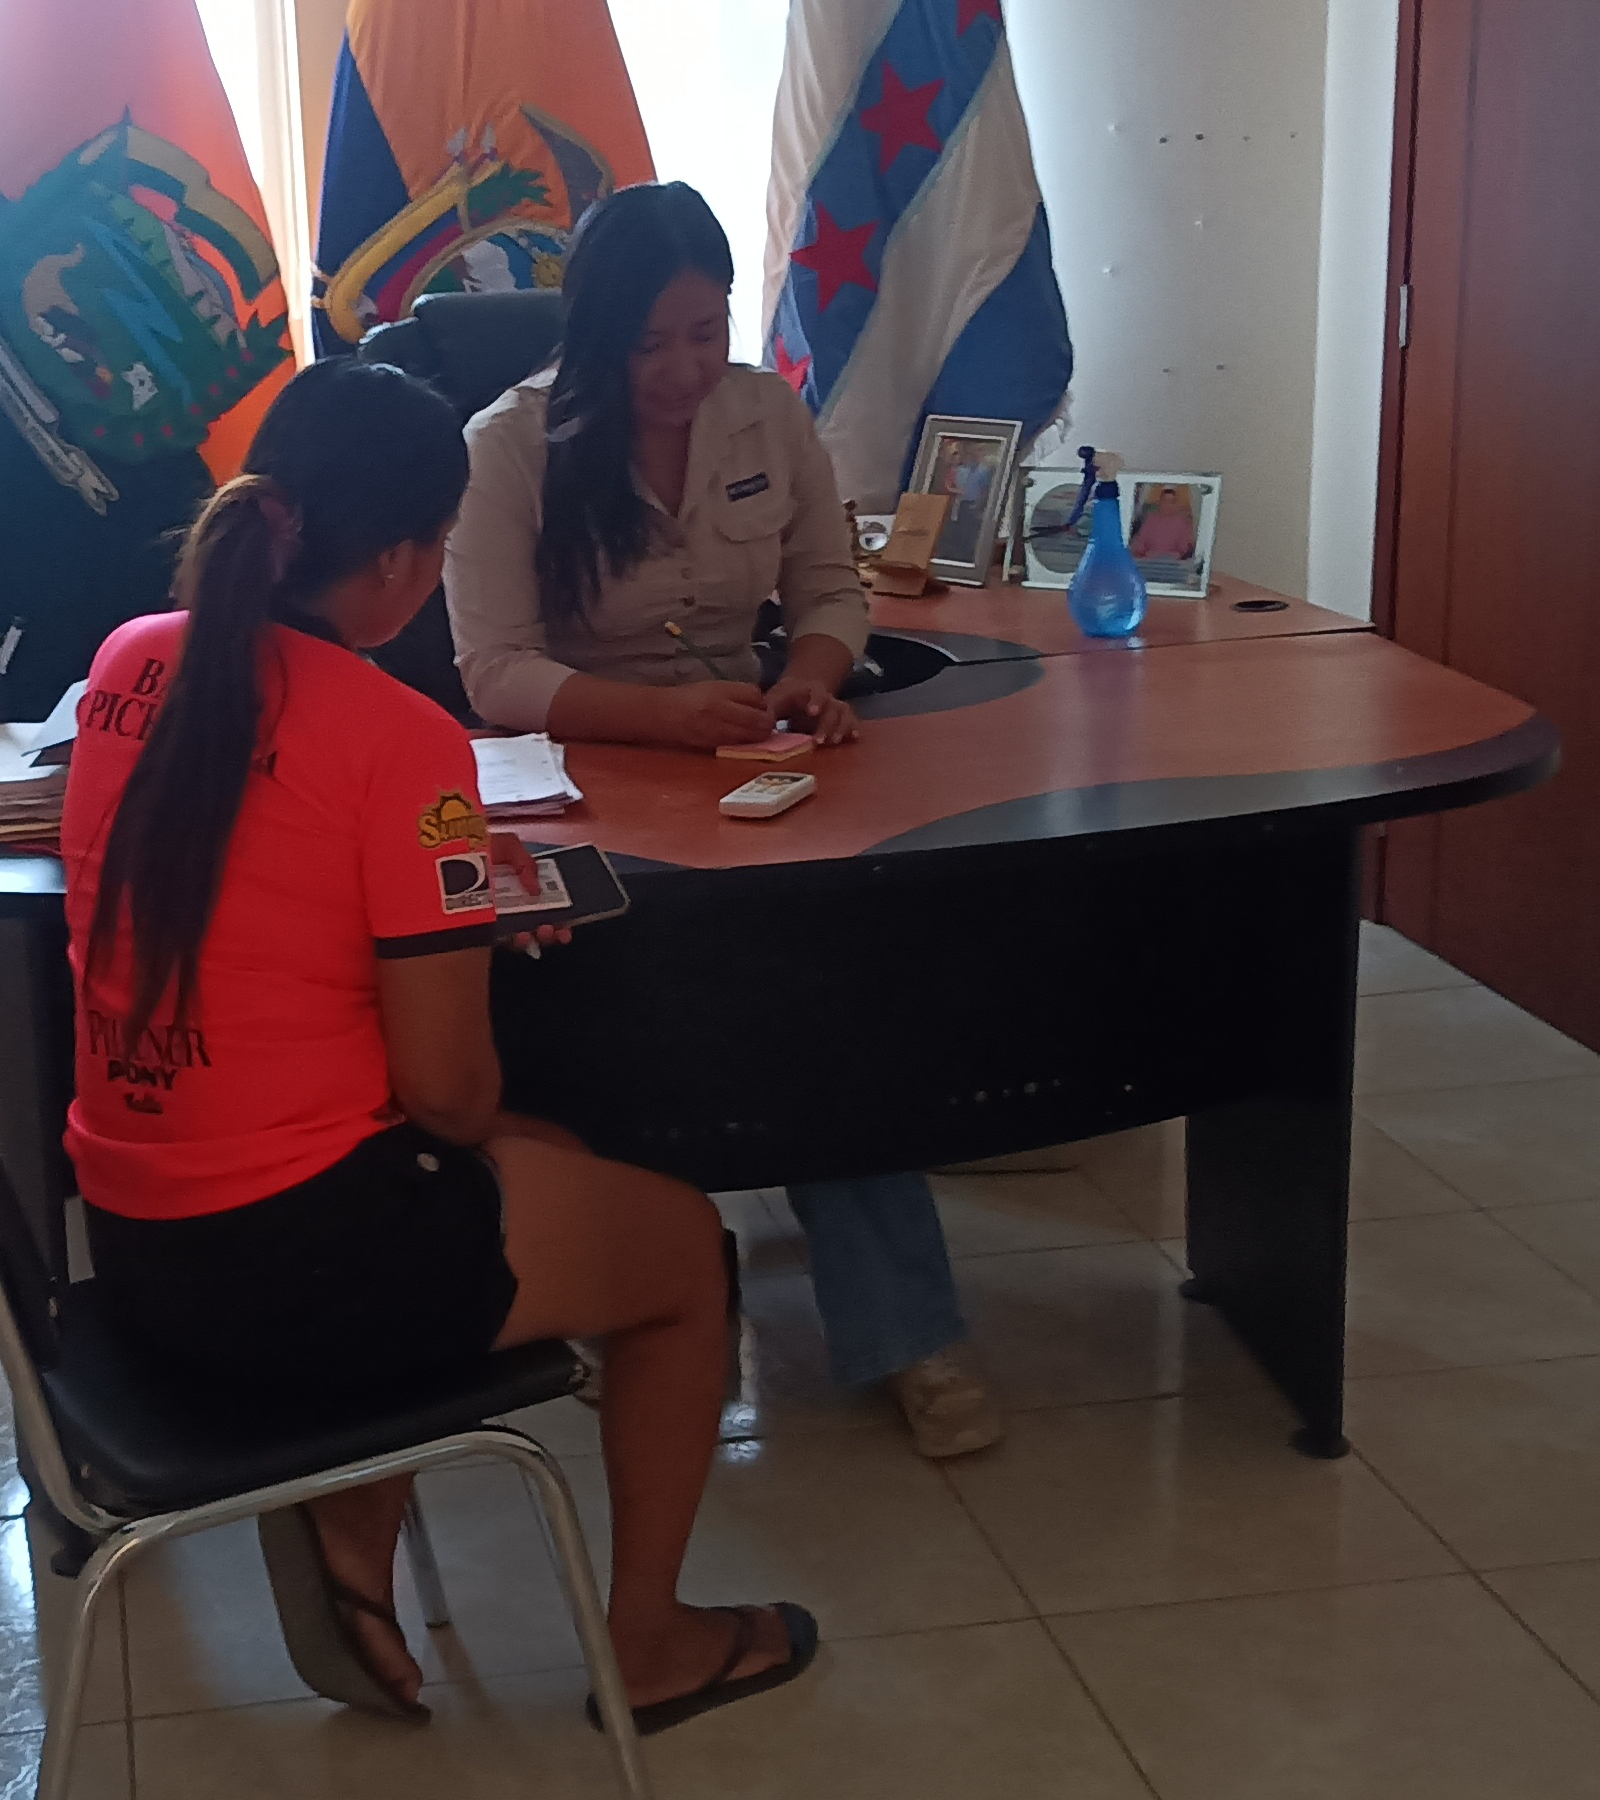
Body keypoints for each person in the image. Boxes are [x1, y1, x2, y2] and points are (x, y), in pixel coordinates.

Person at [59, 357, 816, 1731]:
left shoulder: (129, 665)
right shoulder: (403, 741)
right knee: (680, 1253)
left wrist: (434, 895)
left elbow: (251, 868)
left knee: (547, 1160)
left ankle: (354, 1549)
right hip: (297, 1264)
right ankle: (648, 1643)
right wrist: (448, 915)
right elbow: (449, 1096)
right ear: (406, 561)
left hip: (136, 1240)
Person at [439, 182, 1004, 1458]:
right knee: (623, 1022)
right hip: (587, 780)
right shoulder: (508, 445)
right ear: (596, 334)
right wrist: (659, 719)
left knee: (828, 1000)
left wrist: (811, 672)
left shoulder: (766, 411)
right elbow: (494, 668)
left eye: (707, 330)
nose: (687, 368)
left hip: (750, 759)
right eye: (652, 342)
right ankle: (635, 1287)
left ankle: (906, 1328)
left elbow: (830, 586)